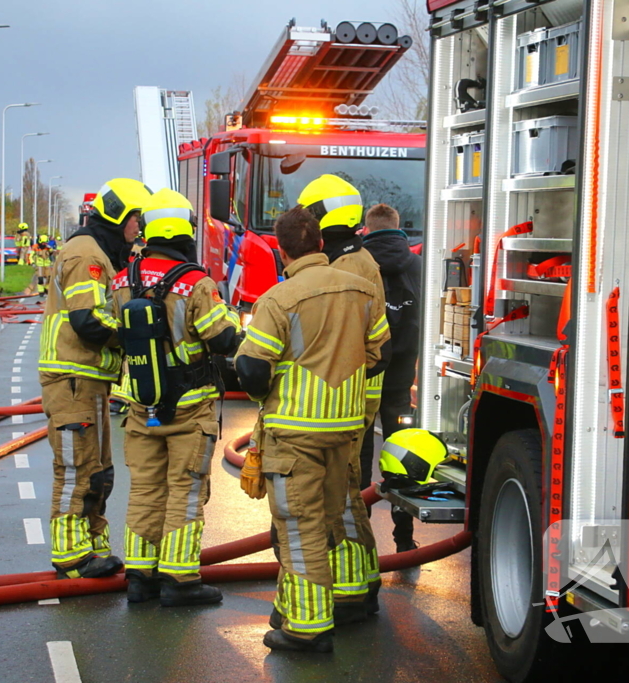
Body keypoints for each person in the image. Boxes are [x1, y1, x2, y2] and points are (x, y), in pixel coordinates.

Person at [235, 206, 388, 653]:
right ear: (320, 243)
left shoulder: (279, 299)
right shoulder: (363, 291)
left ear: (283, 251)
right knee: (330, 519)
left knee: (298, 529)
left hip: (293, 435)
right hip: (345, 432)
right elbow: (381, 353)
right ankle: (312, 604)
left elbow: (250, 366)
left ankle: (307, 627)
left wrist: (269, 395)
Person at [112, 188, 241, 606]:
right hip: (189, 407)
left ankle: (140, 578)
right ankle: (180, 580)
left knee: (145, 490)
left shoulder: (122, 280)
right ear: (184, 229)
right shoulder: (195, 284)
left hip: (139, 405)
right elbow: (223, 339)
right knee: (185, 491)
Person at [38, 177, 152, 580]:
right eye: (137, 219)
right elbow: (87, 319)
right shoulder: (85, 253)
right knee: (75, 468)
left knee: (99, 470)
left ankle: (94, 544)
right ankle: (71, 554)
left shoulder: (100, 253)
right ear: (122, 215)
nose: (139, 229)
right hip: (71, 378)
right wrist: (132, 335)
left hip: (90, 381)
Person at [297, 175, 390, 620]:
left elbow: (359, 347)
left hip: (343, 400)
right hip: (349, 396)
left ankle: (351, 590)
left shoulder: (348, 269)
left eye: (310, 215)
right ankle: (360, 579)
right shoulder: (352, 259)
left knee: (341, 493)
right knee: (345, 489)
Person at [360, 204, 423, 551]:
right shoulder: (418, 265)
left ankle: (361, 540)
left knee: (360, 457)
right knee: (400, 454)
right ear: (398, 227)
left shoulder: (357, 263)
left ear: (367, 229)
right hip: (401, 380)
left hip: (364, 376)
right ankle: (403, 538)